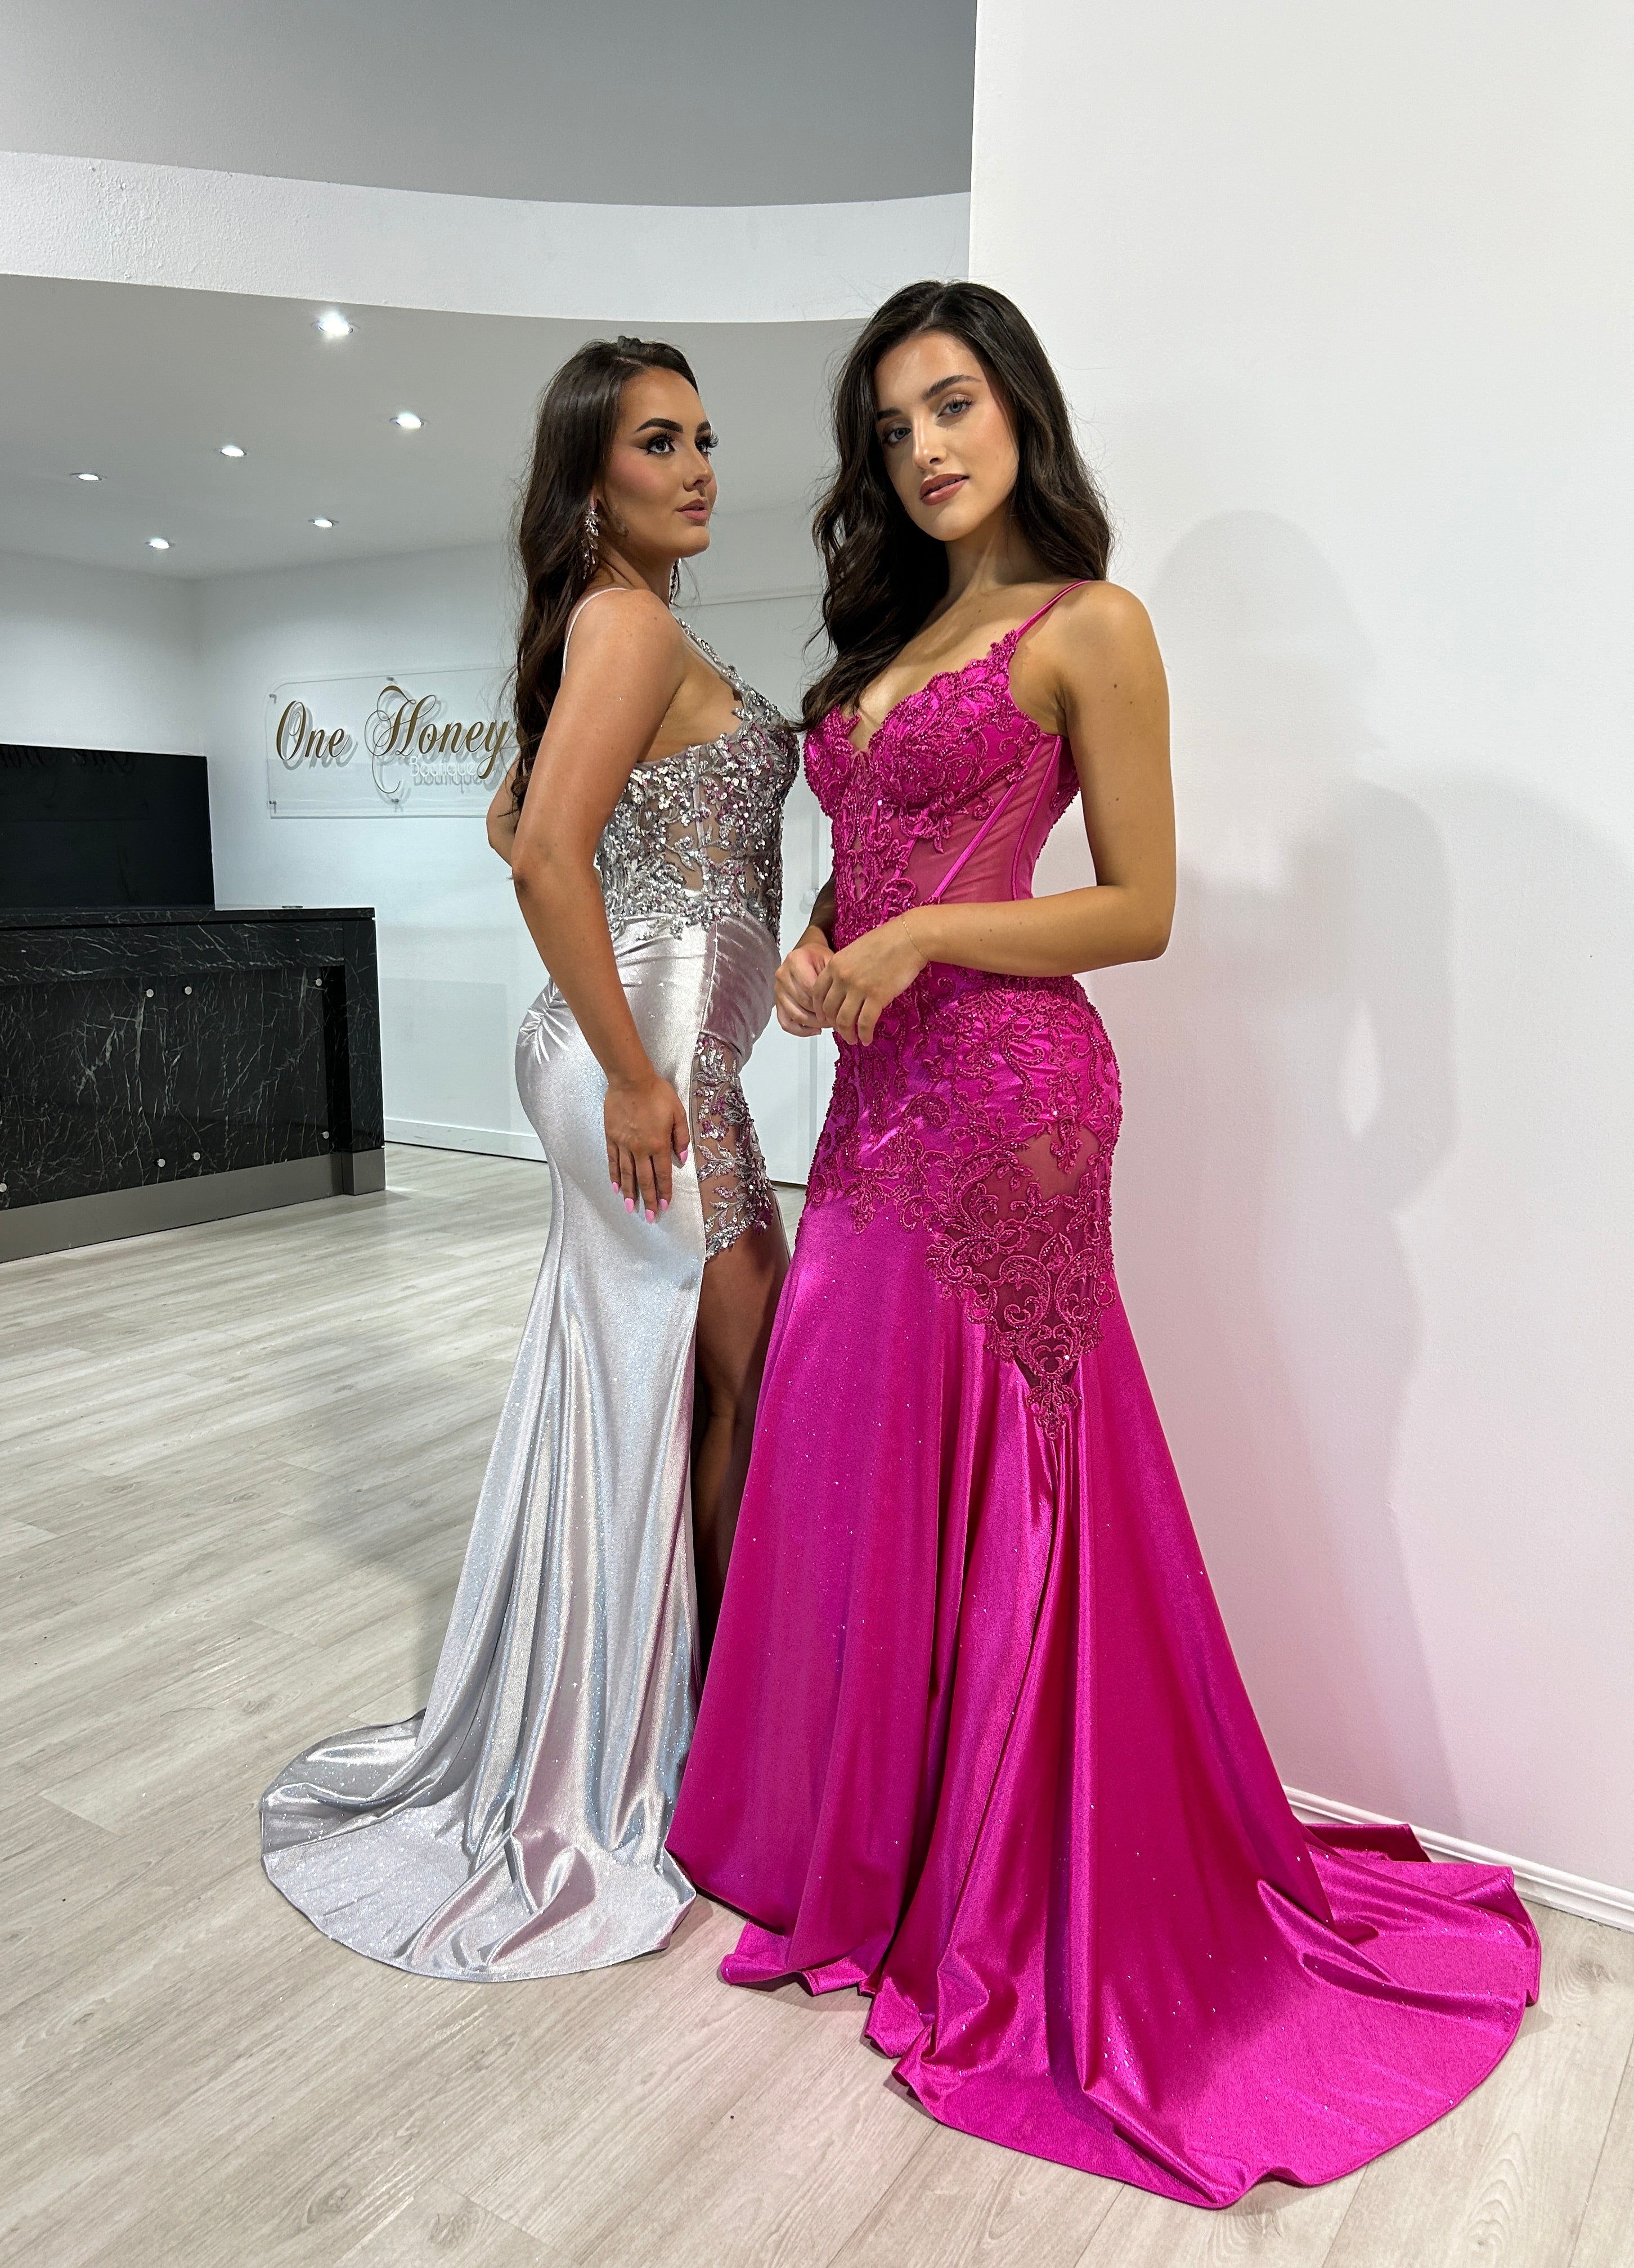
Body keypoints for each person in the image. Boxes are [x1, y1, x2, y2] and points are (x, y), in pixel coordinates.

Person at [666, 282, 1539, 2204]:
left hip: (1019, 1109)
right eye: (894, 426)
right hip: (879, 1094)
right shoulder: (901, 635)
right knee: (858, 1449)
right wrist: (827, 958)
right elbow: (871, 875)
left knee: (1021, 1476)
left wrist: (926, 942)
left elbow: (1138, 907)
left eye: (953, 404)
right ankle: (875, 1852)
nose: (926, 448)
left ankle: (1021, 1877)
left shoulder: (1094, 629)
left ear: (1019, 409)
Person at [261, 337, 797, 1980]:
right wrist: (640, 1076)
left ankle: (674, 1712)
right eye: (659, 443)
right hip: (654, 1066)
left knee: (696, 1378)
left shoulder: (611, 629)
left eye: (706, 438)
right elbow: (544, 856)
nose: (701, 466)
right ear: (591, 480)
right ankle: (685, 1745)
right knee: (727, 1378)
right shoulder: (627, 622)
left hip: (658, 1050)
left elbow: (526, 821)